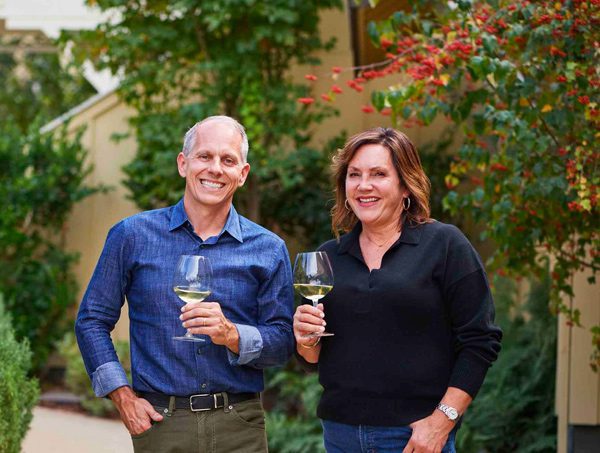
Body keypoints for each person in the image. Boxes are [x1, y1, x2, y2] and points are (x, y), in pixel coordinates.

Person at [76, 115, 295, 452]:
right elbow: (92, 320)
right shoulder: (131, 235)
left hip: (240, 425)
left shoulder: (268, 248)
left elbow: (282, 340)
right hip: (162, 424)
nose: (215, 169)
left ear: (243, 174)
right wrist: (121, 396)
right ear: (184, 164)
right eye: (205, 156)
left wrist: (233, 335)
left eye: (228, 160)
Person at [293, 127, 502, 453]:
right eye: (354, 174)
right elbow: (312, 358)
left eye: (379, 174)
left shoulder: (445, 245)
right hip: (340, 436)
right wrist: (305, 339)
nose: (364, 185)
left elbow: (480, 341)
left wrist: (441, 422)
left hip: (416, 438)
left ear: (406, 185)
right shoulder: (326, 258)